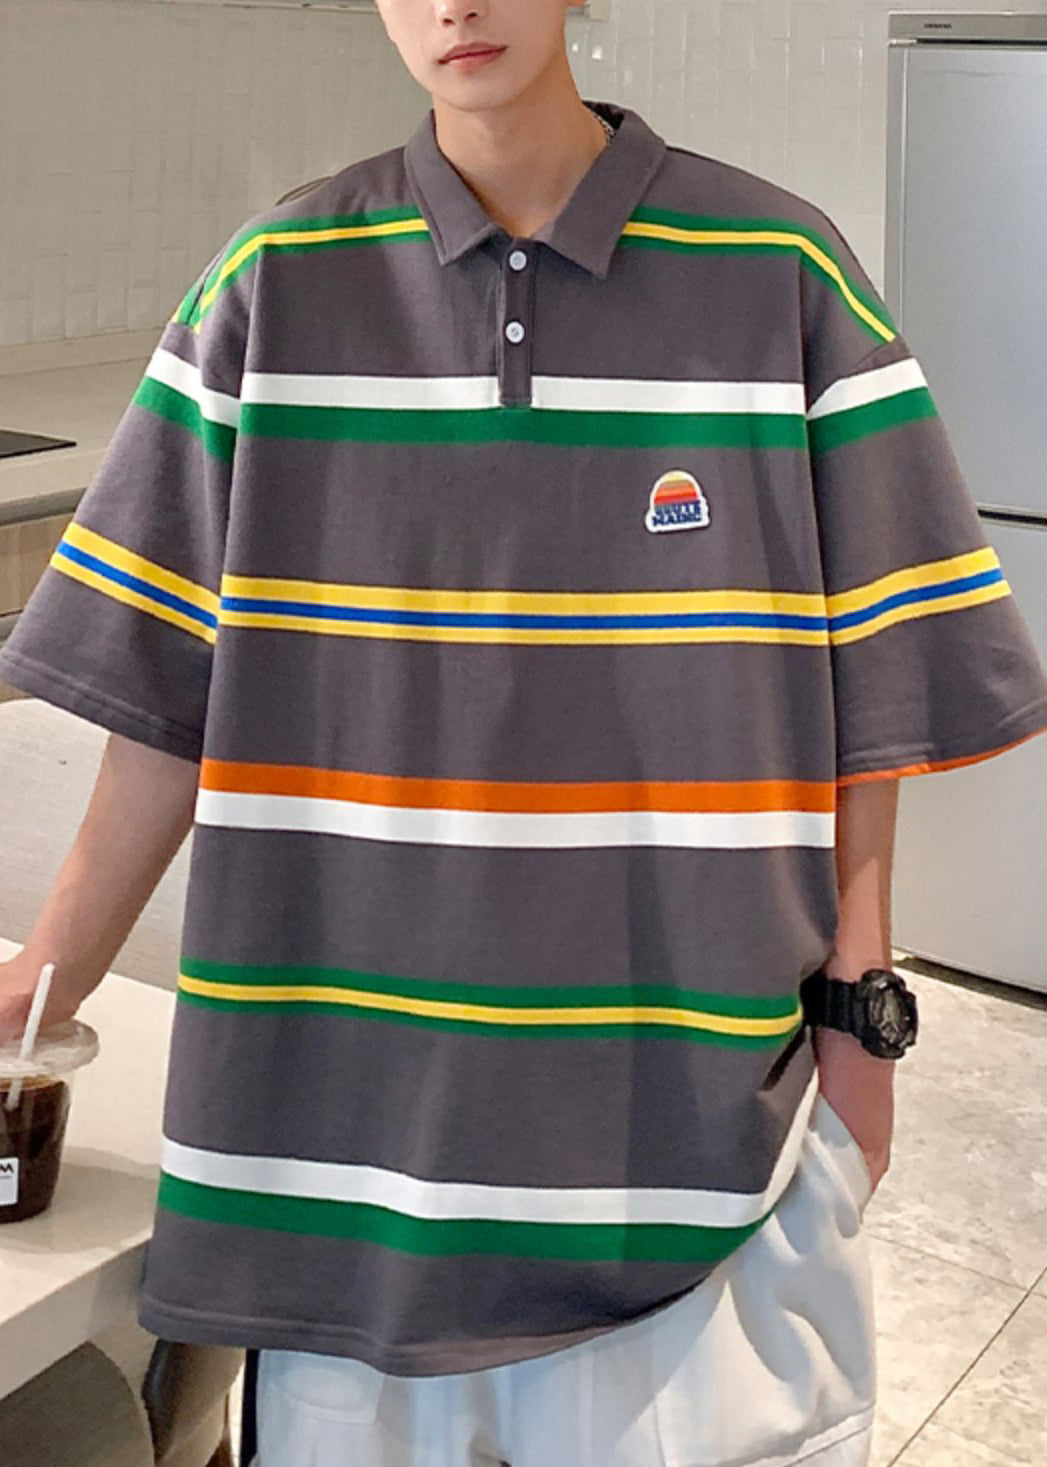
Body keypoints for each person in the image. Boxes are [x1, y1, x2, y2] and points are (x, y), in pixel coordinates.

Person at [2, 1, 1047, 1463]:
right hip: (342, 1165)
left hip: (690, 1149)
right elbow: (162, 710)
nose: (455, 4)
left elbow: (875, 685)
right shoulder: (274, 281)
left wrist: (861, 1014)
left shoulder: (780, 267)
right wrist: (37, 993)